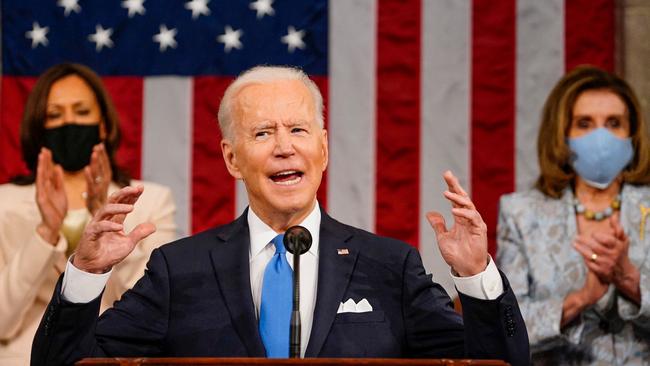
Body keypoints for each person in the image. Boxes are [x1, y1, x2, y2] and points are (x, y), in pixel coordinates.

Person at [32, 65, 530, 365]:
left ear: (324, 148)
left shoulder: (390, 267)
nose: (285, 149)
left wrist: (476, 277)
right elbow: (64, 364)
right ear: (232, 159)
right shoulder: (178, 270)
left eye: (299, 130)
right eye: (263, 133)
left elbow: (495, 364)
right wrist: (86, 275)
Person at [0, 63, 177, 366]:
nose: (69, 124)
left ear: (104, 125)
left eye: (81, 113)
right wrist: (46, 232)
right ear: (38, 128)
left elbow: (157, 311)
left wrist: (108, 224)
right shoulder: (5, 202)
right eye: (55, 116)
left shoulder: (151, 200)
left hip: (117, 359)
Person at [497, 66, 650, 364]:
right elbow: (506, 325)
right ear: (562, 135)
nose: (601, 137)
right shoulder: (521, 213)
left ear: (631, 134)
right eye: (584, 123)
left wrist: (631, 282)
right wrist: (581, 298)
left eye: (614, 123)